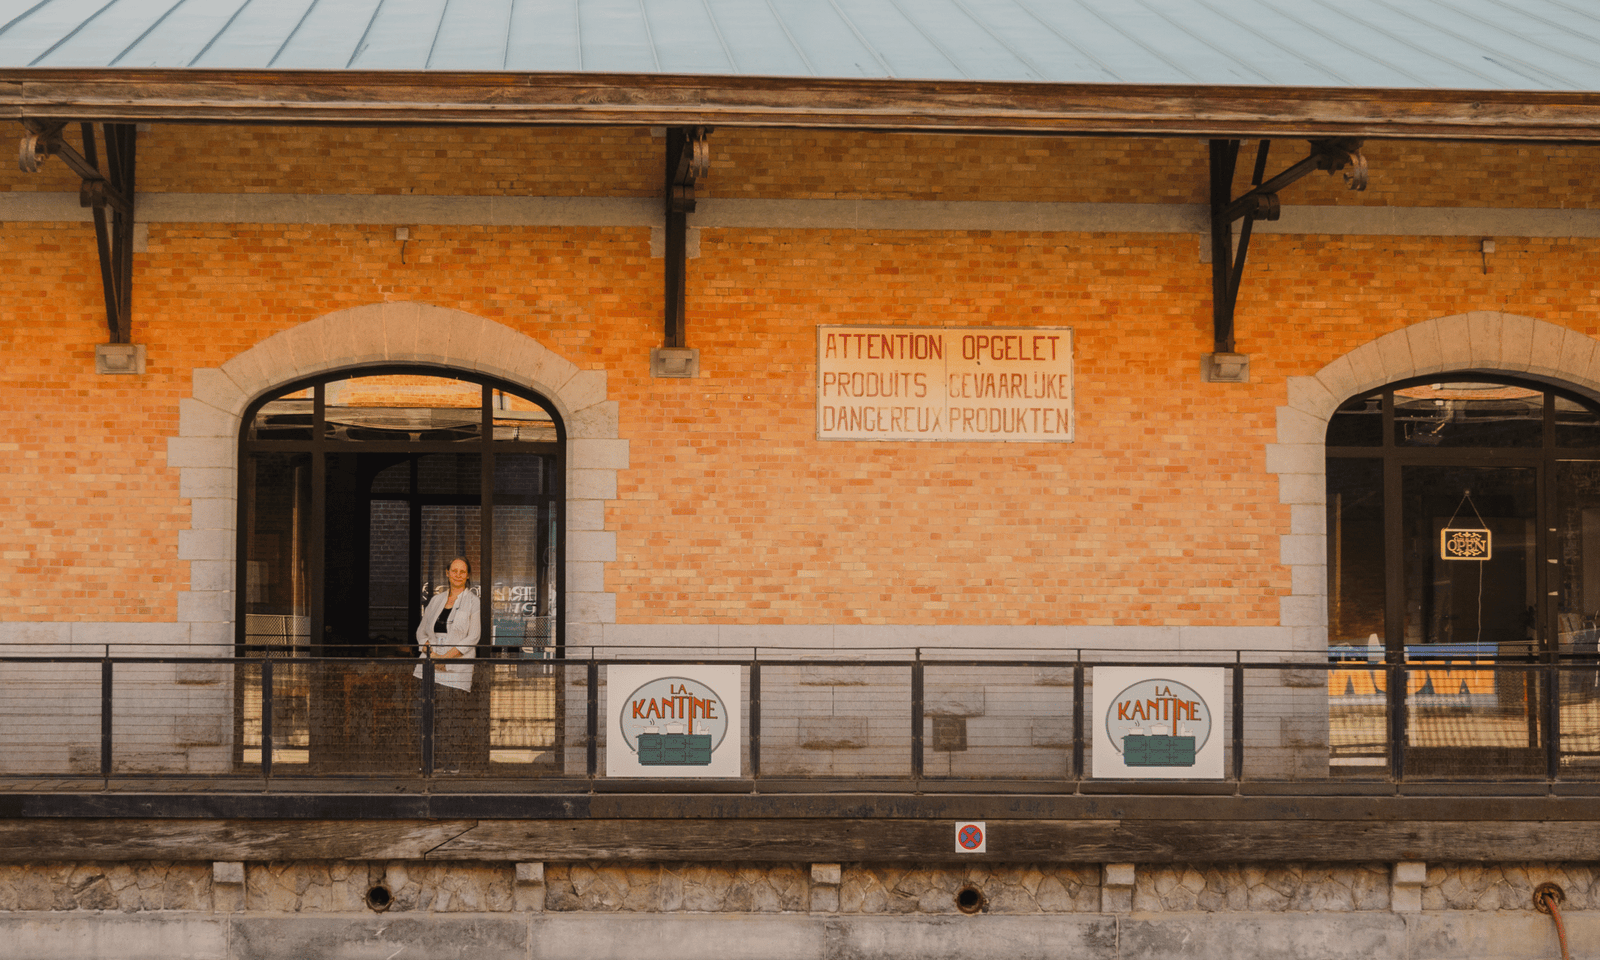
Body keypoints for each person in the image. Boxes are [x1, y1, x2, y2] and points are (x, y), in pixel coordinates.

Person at [414, 556, 484, 772]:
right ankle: (429, 764)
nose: (458, 575)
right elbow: (421, 632)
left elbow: (473, 637)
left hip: (456, 669)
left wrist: (444, 659)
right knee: (427, 717)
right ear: (447, 572)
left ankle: (450, 765)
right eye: (454, 570)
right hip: (429, 667)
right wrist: (432, 655)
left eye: (462, 572)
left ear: (468, 576)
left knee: (451, 719)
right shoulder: (436, 601)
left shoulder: (473, 601)